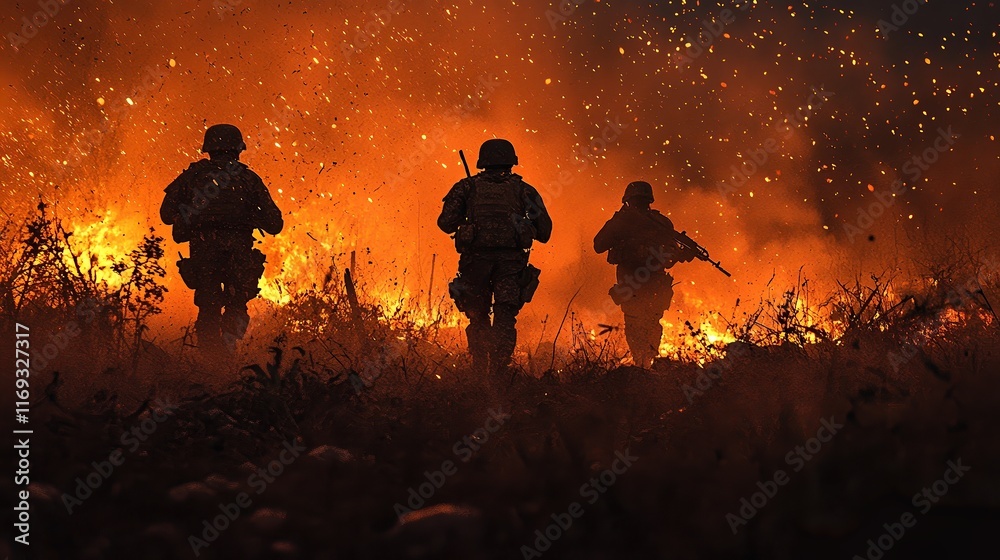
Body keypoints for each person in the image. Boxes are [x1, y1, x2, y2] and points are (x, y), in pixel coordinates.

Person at [159, 124, 283, 352]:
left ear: (208, 149)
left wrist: (194, 212)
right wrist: (248, 215)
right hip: (238, 252)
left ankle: (210, 359)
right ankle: (228, 353)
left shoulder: (192, 177)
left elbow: (166, 215)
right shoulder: (248, 179)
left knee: (208, 308)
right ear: (238, 149)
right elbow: (275, 224)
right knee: (236, 305)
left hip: (204, 252)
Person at [438, 139, 552, 377]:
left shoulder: (466, 187)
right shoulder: (524, 190)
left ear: (483, 161)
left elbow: (445, 223)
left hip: (475, 264)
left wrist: (469, 219)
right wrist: (521, 224)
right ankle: (499, 370)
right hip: (510, 266)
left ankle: (480, 370)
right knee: (505, 316)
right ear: (511, 160)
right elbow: (544, 232)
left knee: (477, 316)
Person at [594, 181, 694, 367]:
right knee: (651, 321)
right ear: (650, 200)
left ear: (627, 200)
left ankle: (643, 363)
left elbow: (598, 245)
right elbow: (672, 254)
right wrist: (681, 255)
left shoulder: (622, 221)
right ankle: (647, 362)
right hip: (653, 281)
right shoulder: (661, 222)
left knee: (635, 321)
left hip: (632, 280)